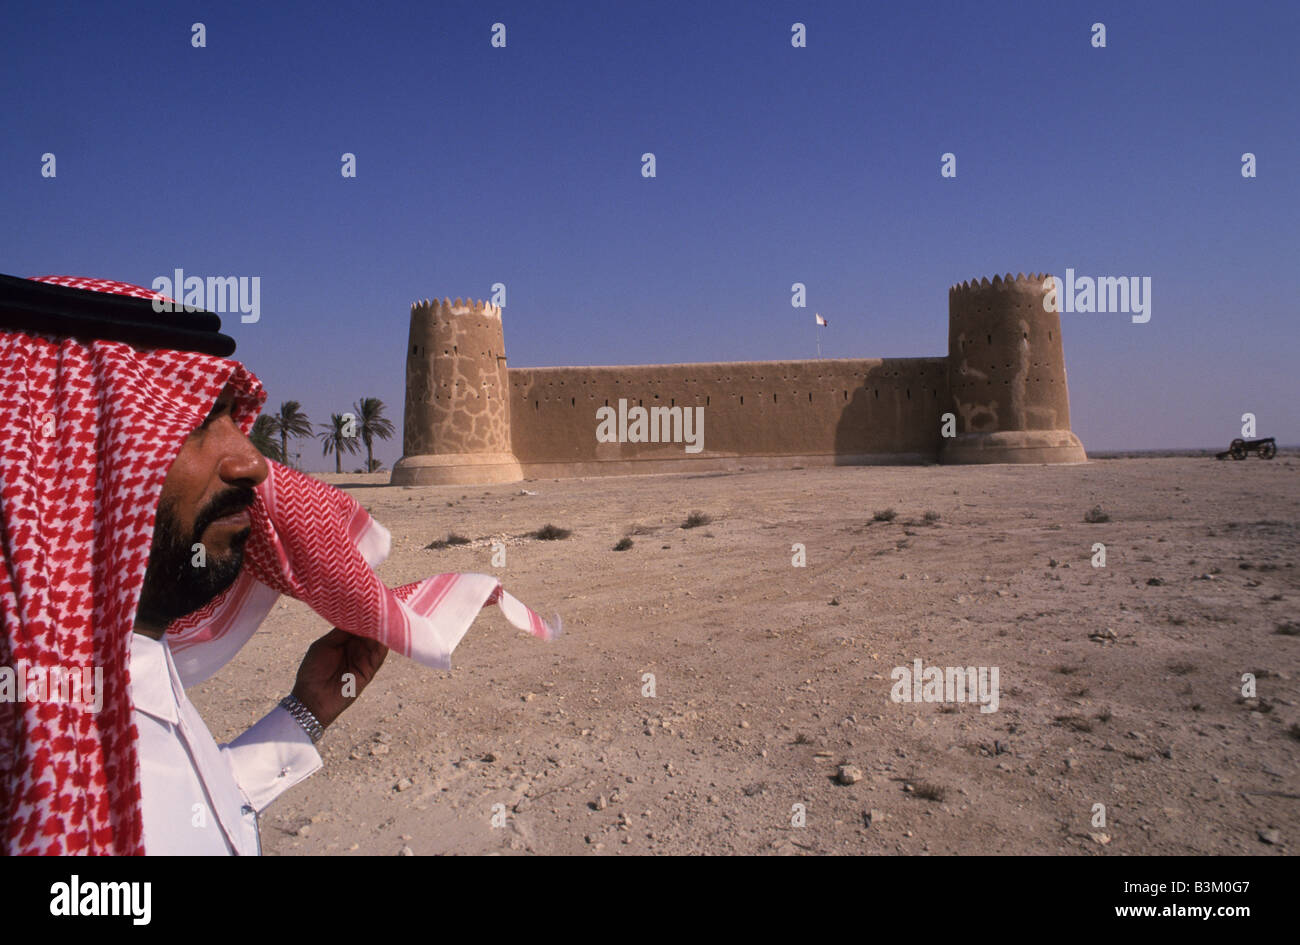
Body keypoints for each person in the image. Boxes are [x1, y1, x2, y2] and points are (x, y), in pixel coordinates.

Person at [0, 273, 558, 855]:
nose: (251, 461)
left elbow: (185, 813)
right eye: (194, 425)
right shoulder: (40, 738)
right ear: (59, 459)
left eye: (231, 421)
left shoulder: (109, 677)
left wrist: (305, 714)